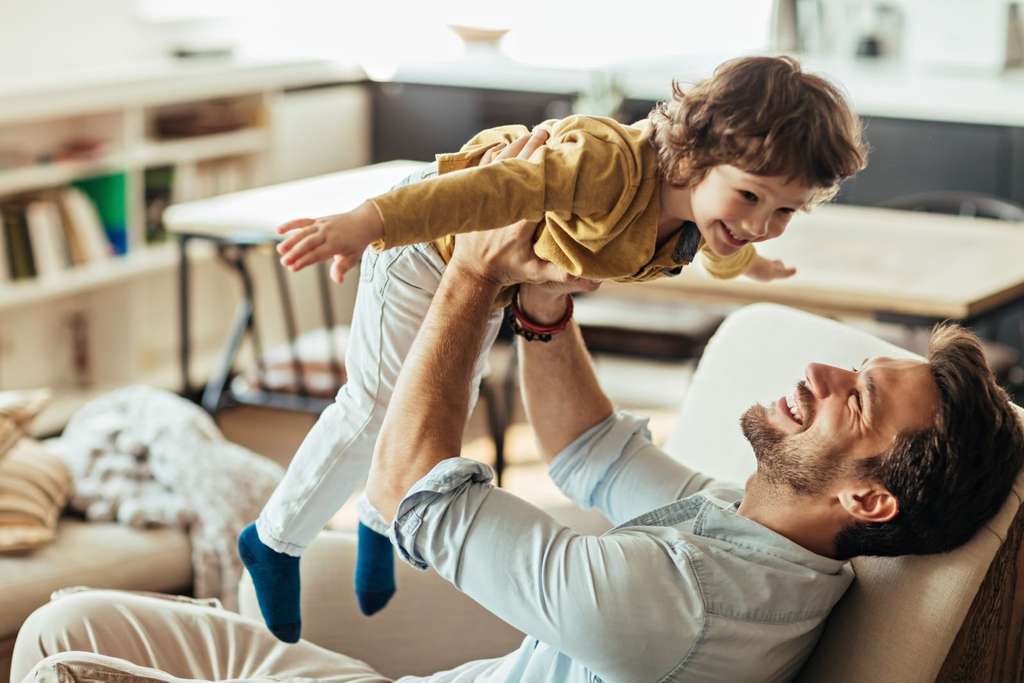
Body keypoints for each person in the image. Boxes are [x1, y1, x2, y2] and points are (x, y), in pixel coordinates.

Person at [13, 152, 1023, 682]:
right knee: (70, 618)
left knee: (57, 650)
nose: (818, 370)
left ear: (864, 494)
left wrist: (471, 270)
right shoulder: (763, 540)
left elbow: (404, 487)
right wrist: (542, 303)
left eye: (853, 395)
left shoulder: (680, 610)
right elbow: (587, 449)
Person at [238, 55, 869, 641]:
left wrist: (752, 265)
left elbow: (724, 240)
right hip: (428, 246)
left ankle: (380, 528)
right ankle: (273, 540)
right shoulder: (605, 166)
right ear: (696, 157)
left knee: (435, 408)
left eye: (786, 211)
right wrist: (365, 222)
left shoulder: (707, 215)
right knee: (376, 408)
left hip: (494, 279)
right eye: (752, 198)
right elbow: (480, 194)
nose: (760, 222)